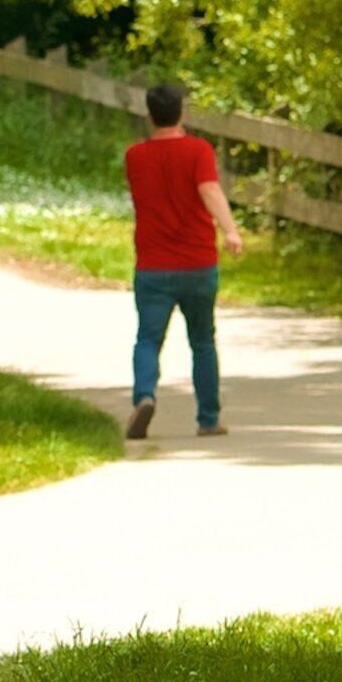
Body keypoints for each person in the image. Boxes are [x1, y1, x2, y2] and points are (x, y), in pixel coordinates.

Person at [122, 81, 244, 440]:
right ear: (182, 112)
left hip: (153, 264)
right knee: (203, 341)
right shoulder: (198, 151)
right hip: (197, 263)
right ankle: (208, 419)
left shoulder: (135, 156)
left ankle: (144, 397)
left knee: (147, 340)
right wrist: (231, 230)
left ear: (149, 115)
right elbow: (208, 189)